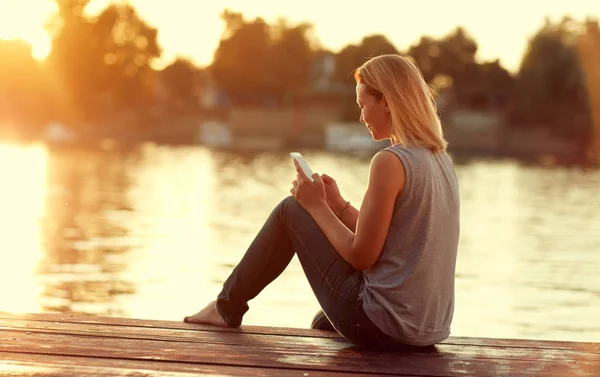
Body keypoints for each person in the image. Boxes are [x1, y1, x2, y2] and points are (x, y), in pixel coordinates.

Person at [184, 54, 460, 351]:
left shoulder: (390, 162)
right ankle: (236, 307)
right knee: (322, 321)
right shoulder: (440, 159)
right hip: (428, 329)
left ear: (387, 102)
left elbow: (362, 257)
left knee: (291, 210)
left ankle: (226, 308)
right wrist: (338, 205)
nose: (361, 117)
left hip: (385, 327)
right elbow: (397, 238)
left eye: (362, 105)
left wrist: (315, 206)